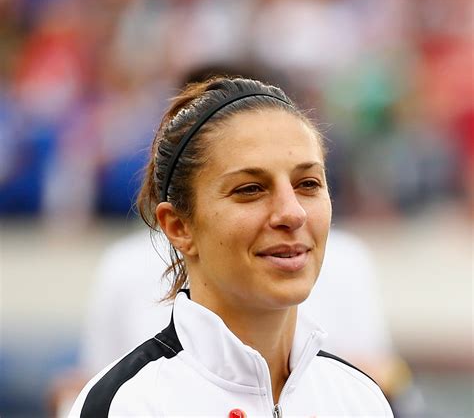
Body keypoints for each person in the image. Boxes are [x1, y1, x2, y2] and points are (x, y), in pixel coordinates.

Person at [69, 76, 393, 417]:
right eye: (250, 189)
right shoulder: (128, 405)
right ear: (179, 227)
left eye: (308, 183)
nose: (292, 213)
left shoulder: (360, 399)